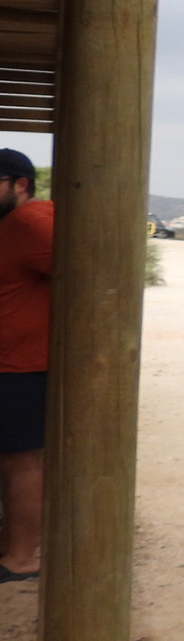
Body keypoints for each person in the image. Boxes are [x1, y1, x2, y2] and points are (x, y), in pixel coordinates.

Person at [0, 147, 51, 583]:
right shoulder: (13, 224)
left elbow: (94, 271)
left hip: (22, 367)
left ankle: (21, 558)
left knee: (23, 463)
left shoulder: (31, 221)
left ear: (20, 185)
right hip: (12, 364)